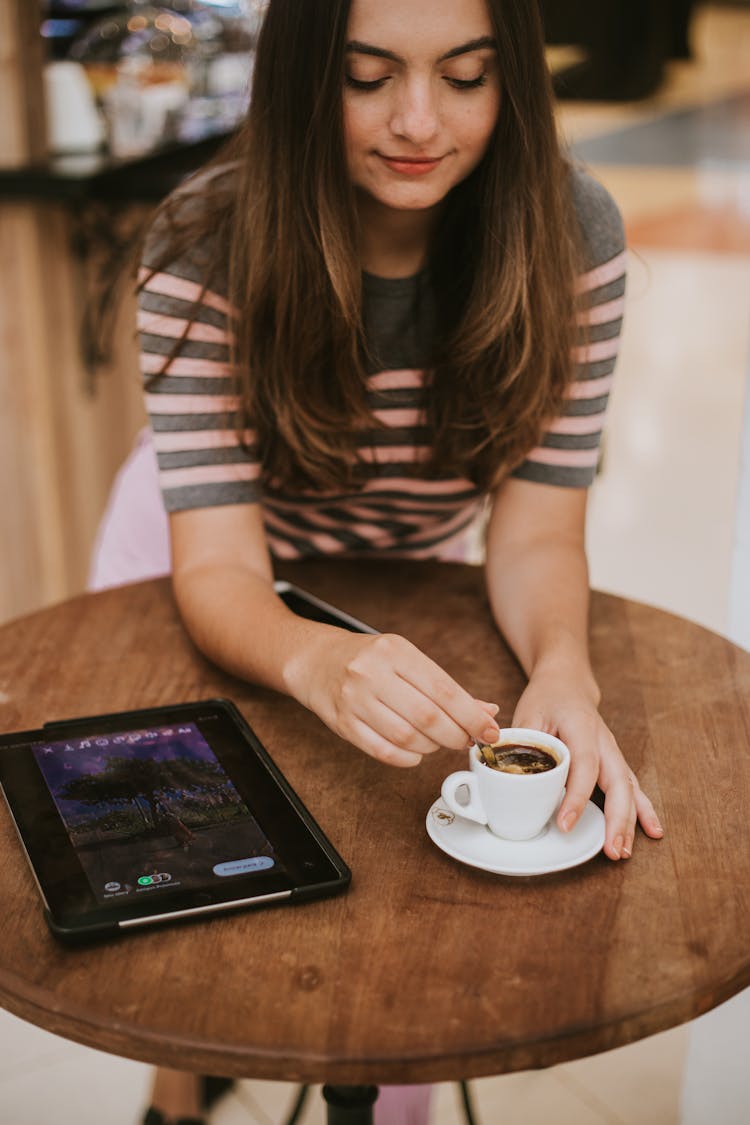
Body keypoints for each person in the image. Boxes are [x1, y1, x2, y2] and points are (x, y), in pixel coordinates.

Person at [111, 1, 664, 1121]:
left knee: (397, 953)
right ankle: (181, 1090)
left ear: (513, 78)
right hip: (197, 560)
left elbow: (539, 529)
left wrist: (564, 668)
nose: (420, 121)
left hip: (413, 564)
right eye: (368, 77)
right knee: (203, 891)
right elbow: (217, 571)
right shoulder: (200, 242)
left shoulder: (572, 236)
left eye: (465, 76)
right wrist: (314, 662)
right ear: (306, 77)